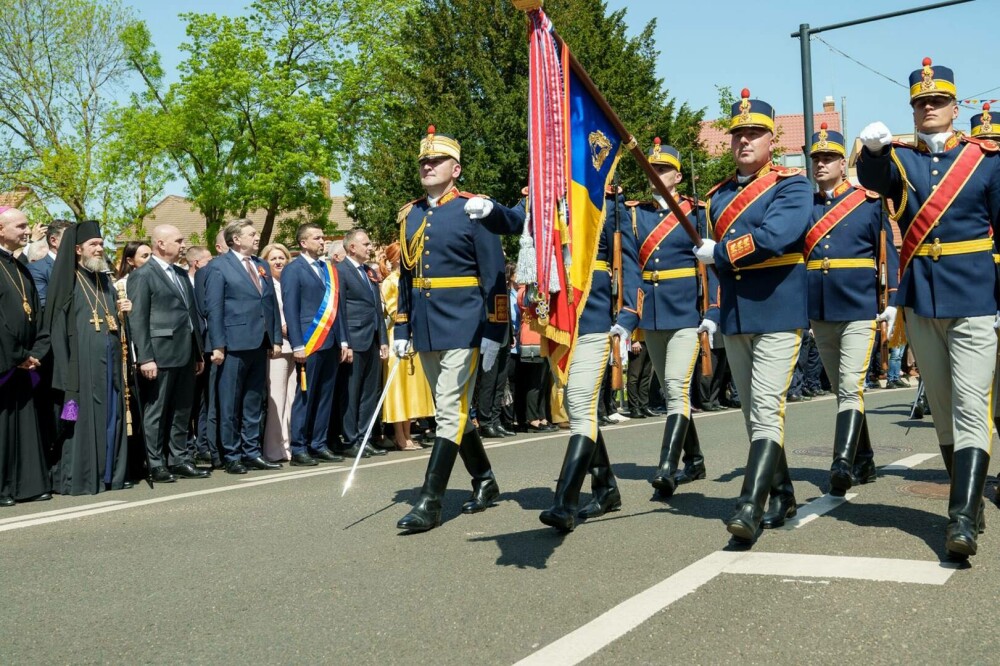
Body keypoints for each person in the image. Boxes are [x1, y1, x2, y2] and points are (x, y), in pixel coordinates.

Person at [857, 58, 1000, 559]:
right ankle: (970, 501)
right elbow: (876, 181)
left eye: (938, 101)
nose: (929, 109)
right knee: (941, 408)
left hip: (976, 296)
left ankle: (959, 517)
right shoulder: (902, 160)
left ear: (955, 108)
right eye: (921, 103)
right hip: (922, 299)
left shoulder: (986, 159)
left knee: (971, 404)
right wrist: (874, 151)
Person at [694, 90, 813, 544]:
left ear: (770, 139)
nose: (744, 140)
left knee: (766, 407)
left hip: (778, 308)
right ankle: (782, 494)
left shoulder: (792, 185)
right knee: (753, 413)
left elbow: (777, 234)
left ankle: (750, 505)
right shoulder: (718, 196)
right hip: (736, 313)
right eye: (738, 134)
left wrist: (722, 252)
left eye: (754, 133)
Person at [394, 126, 520, 532]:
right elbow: (407, 276)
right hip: (426, 325)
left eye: (437, 161)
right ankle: (484, 479)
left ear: (456, 169)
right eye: (423, 161)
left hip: (466, 322)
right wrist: (401, 328)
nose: (428, 166)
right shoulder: (410, 214)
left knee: (449, 408)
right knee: (453, 411)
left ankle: (429, 501)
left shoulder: (473, 210)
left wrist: (495, 329)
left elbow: (494, 275)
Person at [534, 183, 642, 533]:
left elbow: (628, 263)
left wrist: (628, 316)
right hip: (557, 318)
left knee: (579, 403)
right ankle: (606, 488)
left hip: (594, 315)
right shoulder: (546, 192)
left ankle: (564, 502)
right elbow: (520, 226)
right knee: (578, 406)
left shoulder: (608, 201)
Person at [806, 123, 899, 495]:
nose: (821, 164)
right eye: (817, 158)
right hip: (820, 309)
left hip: (858, 307)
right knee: (842, 389)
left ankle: (842, 463)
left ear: (843, 163)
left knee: (849, 386)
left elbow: (886, 253)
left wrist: (891, 299)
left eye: (829, 158)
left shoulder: (868, 202)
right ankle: (865, 458)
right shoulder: (805, 206)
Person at [629, 140, 718, 500]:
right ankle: (694, 459)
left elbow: (709, 267)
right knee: (670, 390)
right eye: (652, 169)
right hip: (650, 312)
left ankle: (667, 467)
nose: (657, 175)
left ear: (678, 176)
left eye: (664, 169)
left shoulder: (696, 212)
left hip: (684, 312)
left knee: (676, 387)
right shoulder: (636, 214)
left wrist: (712, 311)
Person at [44, 220, 133, 494]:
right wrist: (64, 371)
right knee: (75, 416)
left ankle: (109, 474)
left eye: (101, 244)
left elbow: (112, 320)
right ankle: (79, 477)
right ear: (78, 249)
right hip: (79, 367)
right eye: (93, 244)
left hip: (109, 363)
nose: (99, 249)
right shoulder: (67, 280)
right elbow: (56, 328)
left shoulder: (104, 280)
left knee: (111, 415)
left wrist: (122, 311)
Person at [127, 225, 208, 482]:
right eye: (178, 240)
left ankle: (179, 458)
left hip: (185, 351)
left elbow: (191, 315)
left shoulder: (181, 274)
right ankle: (155, 462)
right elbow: (138, 319)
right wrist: (145, 358)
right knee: (157, 410)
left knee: (182, 409)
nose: (183, 245)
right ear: (160, 244)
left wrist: (198, 353)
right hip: (160, 353)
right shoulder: (143, 275)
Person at [204, 219, 283, 475]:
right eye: (252, 234)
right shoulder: (219, 266)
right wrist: (217, 345)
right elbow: (214, 308)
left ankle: (252, 451)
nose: (257, 237)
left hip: (259, 342)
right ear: (236, 239)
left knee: (253, 401)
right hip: (233, 344)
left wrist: (275, 339)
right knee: (230, 403)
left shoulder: (261, 265)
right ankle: (232, 454)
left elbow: (270, 304)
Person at [282, 224, 351, 466]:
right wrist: (297, 344)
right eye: (317, 237)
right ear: (303, 243)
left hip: (330, 341)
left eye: (323, 237)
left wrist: (343, 340)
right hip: (309, 341)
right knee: (306, 395)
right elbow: (291, 309)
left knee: (325, 396)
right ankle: (299, 447)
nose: (323, 241)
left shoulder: (328, 269)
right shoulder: (293, 269)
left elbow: (338, 308)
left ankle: (318, 443)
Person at [0, 207, 52, 505]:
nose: (27, 231)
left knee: (24, 427)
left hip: (24, 361)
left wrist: (36, 351)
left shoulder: (19, 266)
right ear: (0, 229)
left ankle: (27, 485)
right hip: (5, 361)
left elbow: (36, 312)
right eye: (20, 226)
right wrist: (17, 354)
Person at [336, 228, 390, 458]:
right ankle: (350, 440)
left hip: (372, 339)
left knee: (370, 392)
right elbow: (340, 310)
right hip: (354, 339)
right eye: (366, 244)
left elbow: (377, 308)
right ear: (352, 247)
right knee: (351, 392)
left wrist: (383, 339)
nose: (370, 248)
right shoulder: (340, 271)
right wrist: (344, 342)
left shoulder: (369, 271)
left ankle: (364, 437)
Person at [380, 241, 433, 451]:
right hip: (398, 334)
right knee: (398, 387)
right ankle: (399, 435)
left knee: (411, 387)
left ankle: (409, 433)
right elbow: (395, 311)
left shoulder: (412, 279)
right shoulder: (390, 281)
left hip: (414, 335)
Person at [260, 242, 296, 462]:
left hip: (297, 345)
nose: (279, 262)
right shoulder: (266, 284)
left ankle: (289, 443)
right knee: (277, 398)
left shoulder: (289, 283)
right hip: (278, 345)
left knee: (292, 397)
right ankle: (274, 449)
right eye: (273, 258)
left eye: (282, 258)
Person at [27, 220, 71, 309]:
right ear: (53, 240)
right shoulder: (37, 269)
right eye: (70, 238)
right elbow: (43, 305)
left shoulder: (78, 266)